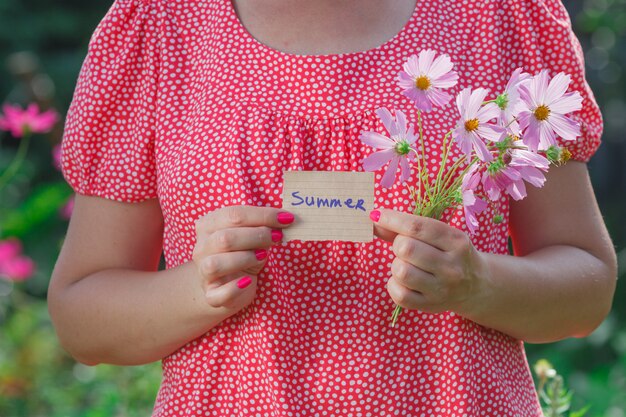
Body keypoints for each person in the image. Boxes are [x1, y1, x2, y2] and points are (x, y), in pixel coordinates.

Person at [48, 0, 617, 415]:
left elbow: (586, 288)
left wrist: (480, 283)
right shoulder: (159, 24)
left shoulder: (499, 15)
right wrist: (195, 290)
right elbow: (82, 314)